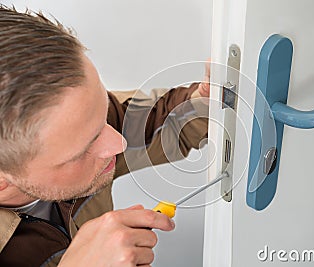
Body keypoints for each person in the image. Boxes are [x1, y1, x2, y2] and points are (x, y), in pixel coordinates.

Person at [0, 5, 210, 267]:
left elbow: (156, 120)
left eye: (103, 115)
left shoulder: (75, 120)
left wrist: (208, 100)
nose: (118, 142)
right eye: (83, 149)